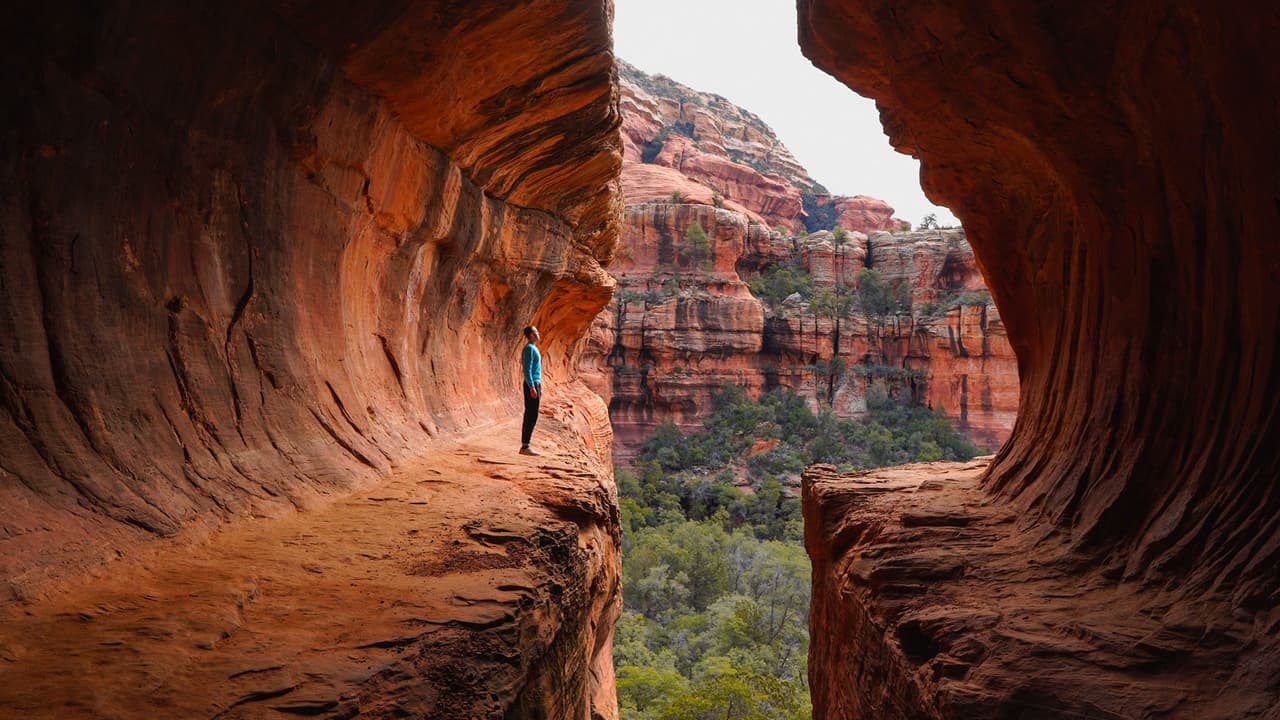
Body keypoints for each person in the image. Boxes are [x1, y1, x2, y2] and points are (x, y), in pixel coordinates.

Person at [519, 325, 542, 455]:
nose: (538, 333)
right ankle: (525, 446)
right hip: (531, 385)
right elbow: (526, 369)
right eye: (536, 332)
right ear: (531, 334)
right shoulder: (528, 349)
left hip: (535, 384)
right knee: (531, 415)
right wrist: (532, 387)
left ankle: (526, 445)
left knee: (532, 414)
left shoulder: (533, 348)